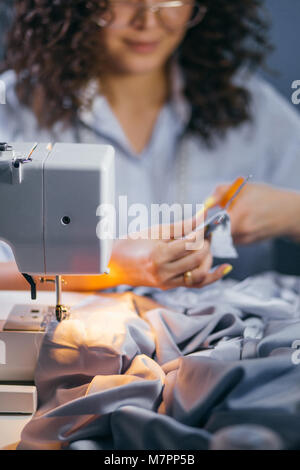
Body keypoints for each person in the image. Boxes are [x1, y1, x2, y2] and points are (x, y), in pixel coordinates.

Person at [0, 0, 300, 292]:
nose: (148, 20)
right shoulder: (12, 109)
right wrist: (111, 267)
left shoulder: (252, 108)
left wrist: (290, 212)